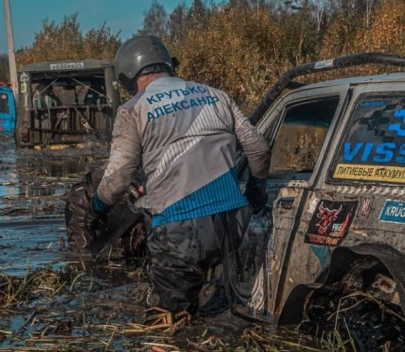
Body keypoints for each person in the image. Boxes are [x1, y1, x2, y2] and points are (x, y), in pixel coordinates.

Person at [84, 35, 271, 317]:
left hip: (181, 232)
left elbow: (117, 180)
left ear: (127, 77)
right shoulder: (217, 95)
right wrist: (255, 192)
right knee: (203, 309)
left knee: (166, 326)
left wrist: (95, 210)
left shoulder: (133, 109)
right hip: (234, 224)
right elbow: (259, 149)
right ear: (169, 65)